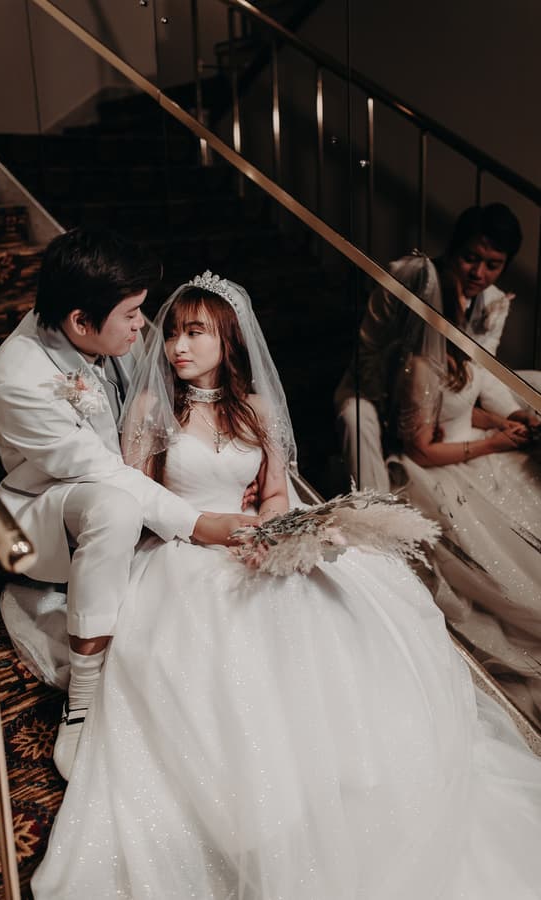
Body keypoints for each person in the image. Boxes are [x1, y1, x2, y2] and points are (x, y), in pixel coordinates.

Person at [31, 271, 541, 899]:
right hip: (183, 548)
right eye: (171, 334)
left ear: (228, 337)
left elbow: (275, 493)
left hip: (254, 544)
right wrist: (208, 533)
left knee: (328, 619)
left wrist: (275, 532)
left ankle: (345, 776)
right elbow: (139, 500)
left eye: (195, 332)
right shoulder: (150, 407)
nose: (176, 347)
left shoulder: (260, 410)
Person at [0, 231, 255, 781]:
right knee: (113, 507)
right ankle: (82, 701)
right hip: (43, 510)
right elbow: (102, 470)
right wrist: (200, 521)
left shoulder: (105, 329)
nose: (143, 327)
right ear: (83, 322)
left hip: (121, 486)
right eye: (133, 316)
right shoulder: (20, 379)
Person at [388, 263, 541, 726]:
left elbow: (459, 410)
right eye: (457, 308)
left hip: (473, 451)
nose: (466, 314)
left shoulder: (461, 353)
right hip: (437, 466)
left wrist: (499, 422)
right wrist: (493, 442)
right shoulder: (421, 365)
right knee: (500, 562)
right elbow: (422, 445)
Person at [334, 202, 525, 491]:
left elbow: (482, 371)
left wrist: (510, 413)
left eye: (492, 265)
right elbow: (369, 351)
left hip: (438, 404)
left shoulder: (494, 303)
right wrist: (407, 413)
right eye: (470, 258)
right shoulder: (406, 277)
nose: (478, 273)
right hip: (377, 389)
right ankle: (374, 512)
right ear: (453, 249)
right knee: (354, 418)